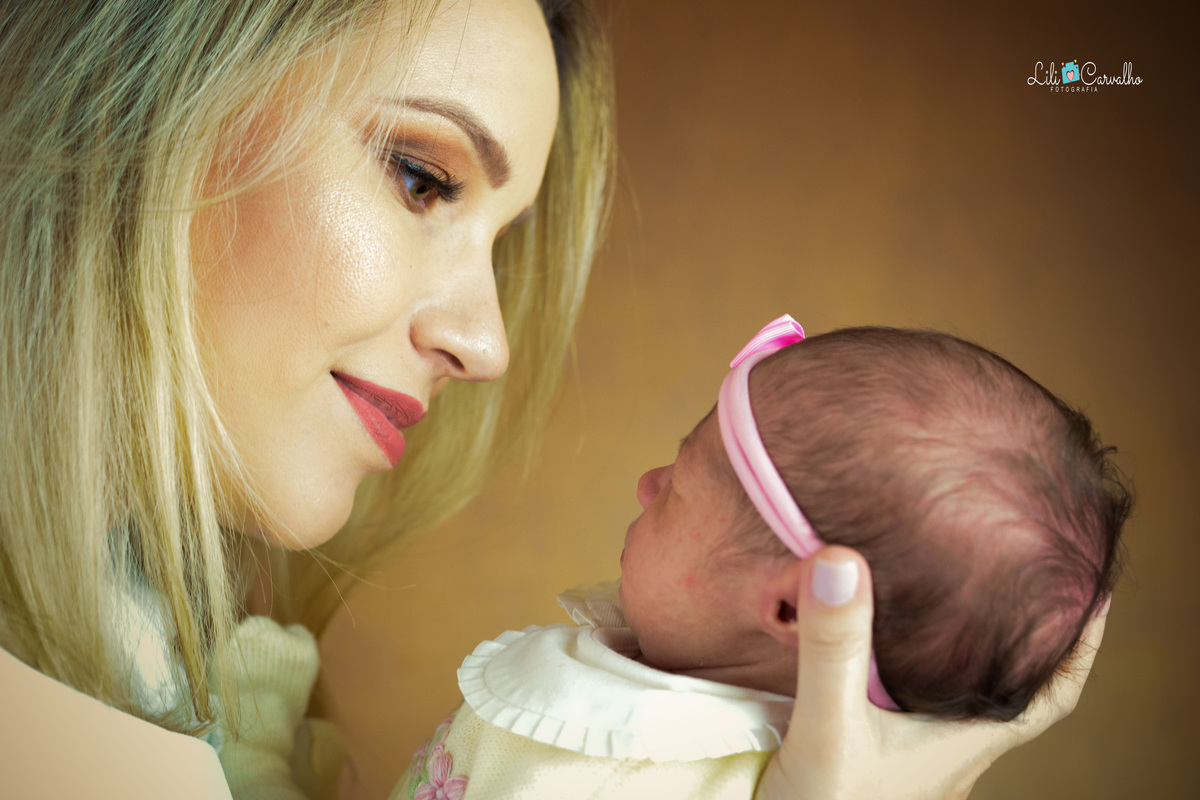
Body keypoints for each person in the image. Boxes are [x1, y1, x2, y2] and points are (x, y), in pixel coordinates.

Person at [0, 2, 1108, 798]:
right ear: (135, 99)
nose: (488, 343)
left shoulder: (146, 637)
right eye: (422, 176)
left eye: (502, 239)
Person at [388, 317, 1128, 799]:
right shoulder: (656, 675)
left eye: (677, 485)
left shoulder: (667, 778)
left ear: (790, 607)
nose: (646, 485)